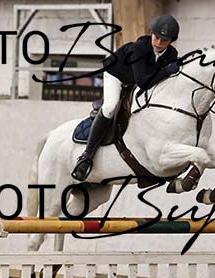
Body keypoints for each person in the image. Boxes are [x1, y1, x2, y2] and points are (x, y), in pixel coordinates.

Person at [71, 14, 181, 181]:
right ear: (151, 33)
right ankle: (86, 157)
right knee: (110, 107)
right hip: (116, 75)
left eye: (164, 40)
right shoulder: (139, 48)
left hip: (134, 82)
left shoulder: (172, 54)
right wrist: (166, 71)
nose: (158, 43)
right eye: (156, 37)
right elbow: (143, 81)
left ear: (171, 41)